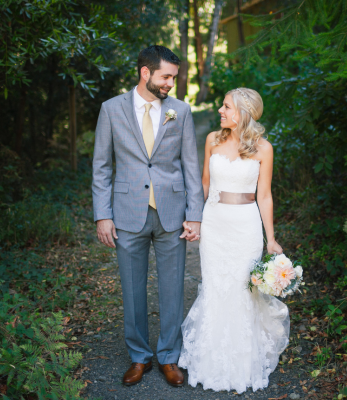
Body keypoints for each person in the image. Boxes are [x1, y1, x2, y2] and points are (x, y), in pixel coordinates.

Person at [92, 45, 204, 387]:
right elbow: (101, 167)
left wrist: (195, 214)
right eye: (166, 76)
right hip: (127, 214)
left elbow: (190, 165)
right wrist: (102, 215)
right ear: (146, 73)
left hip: (172, 214)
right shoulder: (111, 110)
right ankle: (139, 356)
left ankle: (169, 356)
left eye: (174, 77)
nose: (171, 83)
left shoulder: (180, 112)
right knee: (132, 289)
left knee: (172, 289)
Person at [178, 88, 290, 393]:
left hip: (245, 227)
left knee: (243, 292)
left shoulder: (263, 148)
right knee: (215, 288)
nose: (220, 111)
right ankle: (209, 363)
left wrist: (271, 239)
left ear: (242, 112)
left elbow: (264, 196)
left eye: (226, 107)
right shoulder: (213, 140)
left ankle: (242, 365)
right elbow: (203, 183)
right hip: (215, 225)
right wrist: (195, 220)